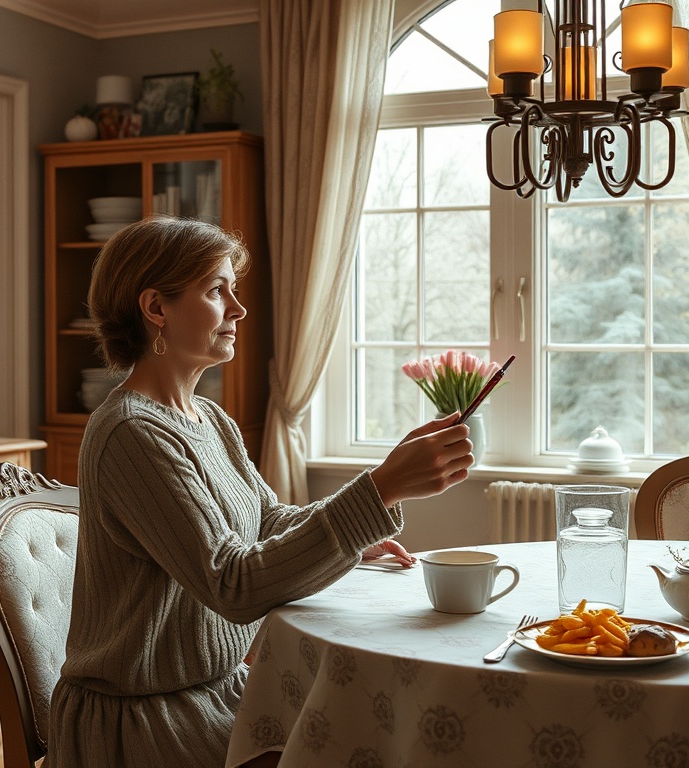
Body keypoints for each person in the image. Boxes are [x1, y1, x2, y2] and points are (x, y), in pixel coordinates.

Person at [45, 215, 473, 768]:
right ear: (156, 308)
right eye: (216, 291)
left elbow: (267, 521)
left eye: (233, 290)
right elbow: (235, 583)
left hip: (218, 691)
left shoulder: (208, 418)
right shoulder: (131, 433)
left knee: (380, 731)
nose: (238, 309)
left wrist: (367, 517)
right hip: (146, 723)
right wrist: (380, 487)